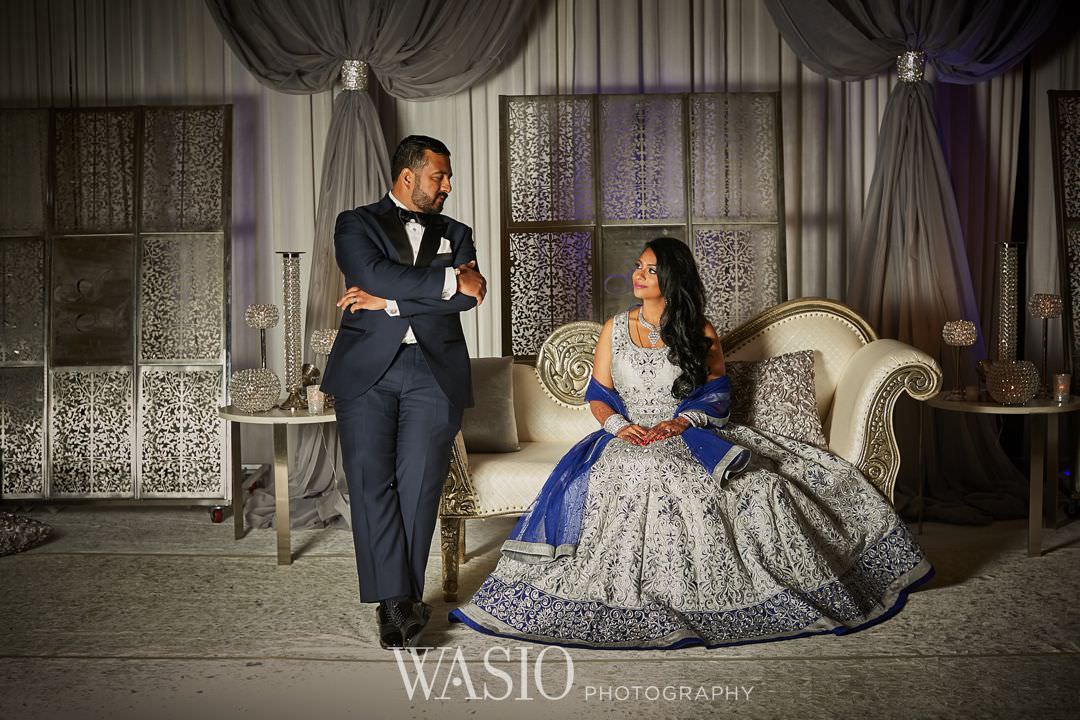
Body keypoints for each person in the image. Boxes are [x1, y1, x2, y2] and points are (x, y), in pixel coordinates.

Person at [448, 237, 933, 650]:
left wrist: (681, 424)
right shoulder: (616, 329)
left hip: (689, 432)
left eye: (650, 269)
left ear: (672, 279)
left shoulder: (699, 330)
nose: (638, 275)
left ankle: (715, 592)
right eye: (637, 267)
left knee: (748, 484)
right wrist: (620, 427)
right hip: (627, 434)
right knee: (642, 470)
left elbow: (718, 393)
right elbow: (598, 393)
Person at [321, 135, 487, 650]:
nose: (448, 186)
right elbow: (371, 272)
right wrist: (442, 283)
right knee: (370, 481)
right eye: (439, 176)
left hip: (434, 373)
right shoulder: (356, 223)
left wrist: (389, 303)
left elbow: (471, 296)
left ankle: (398, 602)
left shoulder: (456, 231)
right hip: (366, 371)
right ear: (408, 175)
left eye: (448, 176)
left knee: (418, 487)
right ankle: (398, 602)